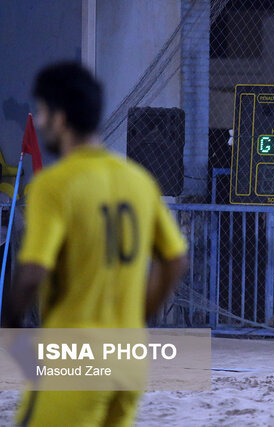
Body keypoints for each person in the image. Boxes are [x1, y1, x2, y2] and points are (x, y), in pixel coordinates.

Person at [3, 61, 188, 426]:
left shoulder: (53, 185)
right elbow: (176, 260)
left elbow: (30, 276)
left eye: (42, 112)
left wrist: (9, 332)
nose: (39, 122)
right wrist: (139, 316)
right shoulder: (139, 181)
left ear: (59, 118)